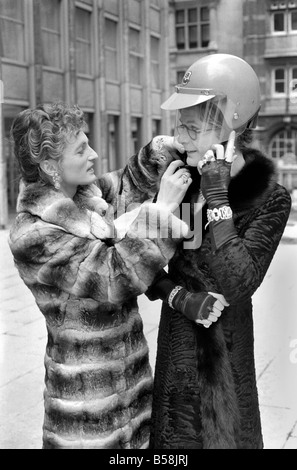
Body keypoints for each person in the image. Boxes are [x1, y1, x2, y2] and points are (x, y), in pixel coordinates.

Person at [100, 54, 292, 449]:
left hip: (229, 351)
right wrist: (178, 296)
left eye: (191, 127)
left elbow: (239, 281)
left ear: (232, 124)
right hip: (178, 344)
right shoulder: (180, 181)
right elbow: (145, 259)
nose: (180, 138)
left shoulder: (270, 198)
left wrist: (218, 198)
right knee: (173, 442)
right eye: (179, 126)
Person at [8, 101, 220, 450]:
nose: (93, 154)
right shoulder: (32, 234)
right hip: (88, 406)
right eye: (81, 149)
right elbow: (112, 276)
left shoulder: (87, 198)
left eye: (88, 142)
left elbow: (130, 182)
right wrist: (162, 210)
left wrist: (173, 145)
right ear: (49, 165)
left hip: (131, 388)